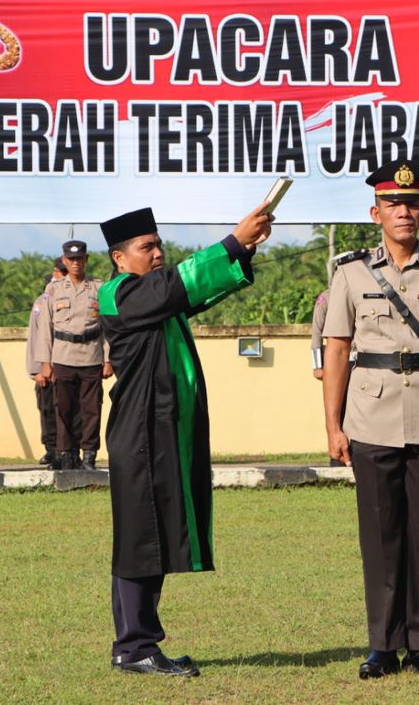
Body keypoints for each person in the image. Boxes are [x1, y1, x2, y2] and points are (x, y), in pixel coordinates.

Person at [322, 159, 419, 681]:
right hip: (370, 417)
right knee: (381, 533)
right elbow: (338, 351)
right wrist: (333, 425)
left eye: (412, 203)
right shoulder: (350, 274)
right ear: (376, 213)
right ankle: (381, 645)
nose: (404, 211)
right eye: (393, 203)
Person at [99, 203, 271, 677]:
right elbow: (176, 285)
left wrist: (244, 251)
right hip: (140, 434)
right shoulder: (118, 294)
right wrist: (232, 241)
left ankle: (133, 643)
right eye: (146, 247)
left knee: (144, 536)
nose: (157, 254)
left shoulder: (151, 297)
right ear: (119, 258)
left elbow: (193, 293)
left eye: (159, 245)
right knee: (141, 539)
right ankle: (135, 646)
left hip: (157, 432)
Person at [35, 241, 113, 470]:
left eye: (80, 259)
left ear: (86, 260)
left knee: (91, 409)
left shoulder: (99, 288)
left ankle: (89, 455)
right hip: (62, 356)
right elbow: (45, 329)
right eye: (71, 259)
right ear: (65, 261)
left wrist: (108, 360)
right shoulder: (54, 289)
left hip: (91, 356)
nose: (76, 263)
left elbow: (107, 327)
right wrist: (45, 363)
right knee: (63, 408)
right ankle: (65, 455)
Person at [27, 257, 68, 467]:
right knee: (48, 409)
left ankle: (69, 451)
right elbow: (36, 336)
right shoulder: (42, 301)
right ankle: (52, 449)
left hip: (69, 364)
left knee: (69, 410)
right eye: (62, 271)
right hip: (47, 366)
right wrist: (37, 370)